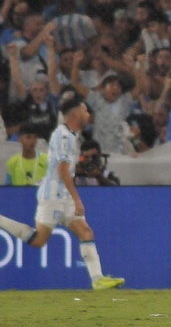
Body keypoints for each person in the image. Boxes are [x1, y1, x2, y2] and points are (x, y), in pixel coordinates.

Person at [0, 97, 124, 290]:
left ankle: (98, 279)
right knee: (39, 240)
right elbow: (62, 170)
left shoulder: (69, 135)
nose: (88, 114)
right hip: (53, 196)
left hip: (62, 195)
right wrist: (77, 199)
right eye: (85, 111)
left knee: (86, 231)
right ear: (75, 114)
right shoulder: (64, 137)